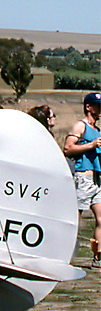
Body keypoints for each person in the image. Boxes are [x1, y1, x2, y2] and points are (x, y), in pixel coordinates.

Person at [63, 92, 101, 268]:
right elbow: (68, 148)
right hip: (83, 176)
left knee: (100, 219)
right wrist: (91, 145)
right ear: (89, 107)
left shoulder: (97, 130)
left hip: (96, 178)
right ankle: (65, 254)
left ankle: (98, 256)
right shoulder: (81, 126)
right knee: (75, 219)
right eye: (97, 105)